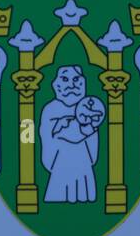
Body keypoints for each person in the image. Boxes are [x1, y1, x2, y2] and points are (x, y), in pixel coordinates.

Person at [40, 67, 105, 203]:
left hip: (83, 163)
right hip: (60, 163)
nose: (71, 85)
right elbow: (38, 132)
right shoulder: (50, 109)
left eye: (76, 79)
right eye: (65, 79)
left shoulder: (89, 108)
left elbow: (92, 142)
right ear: (56, 85)